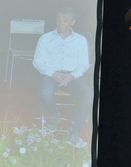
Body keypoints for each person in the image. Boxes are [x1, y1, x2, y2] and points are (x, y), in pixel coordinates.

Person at [32, 7, 91, 144]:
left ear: (72, 22)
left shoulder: (80, 40)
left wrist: (71, 76)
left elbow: (84, 64)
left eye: (65, 21)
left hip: (73, 76)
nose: (60, 23)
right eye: (58, 20)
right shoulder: (45, 38)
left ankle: (76, 130)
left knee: (89, 94)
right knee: (45, 93)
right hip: (52, 75)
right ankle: (54, 115)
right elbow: (38, 61)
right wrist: (53, 74)